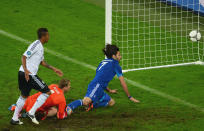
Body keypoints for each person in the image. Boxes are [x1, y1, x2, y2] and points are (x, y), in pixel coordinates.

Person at [66, 44, 140, 115]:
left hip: (100, 88)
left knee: (111, 102)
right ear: (114, 56)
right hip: (96, 86)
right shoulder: (116, 65)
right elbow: (123, 83)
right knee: (85, 101)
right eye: (119, 55)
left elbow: (101, 77)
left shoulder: (103, 62)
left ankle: (92, 105)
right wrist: (130, 97)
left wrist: (109, 90)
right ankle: (69, 107)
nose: (121, 57)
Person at [10, 28, 63, 125]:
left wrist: (54, 68)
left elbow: (42, 62)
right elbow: (24, 56)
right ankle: (31, 112)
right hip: (28, 74)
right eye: (48, 35)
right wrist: (26, 71)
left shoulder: (41, 47)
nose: (49, 37)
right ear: (44, 36)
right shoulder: (36, 45)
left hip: (24, 73)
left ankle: (15, 119)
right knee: (47, 91)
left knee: (24, 96)